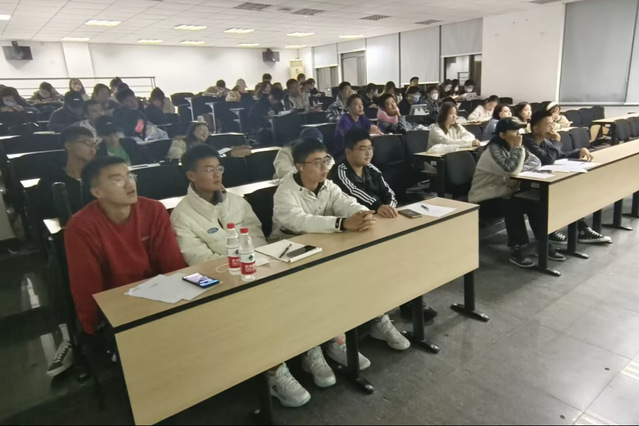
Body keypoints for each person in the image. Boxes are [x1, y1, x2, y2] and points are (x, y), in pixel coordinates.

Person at [272, 138, 409, 372]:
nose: (325, 167)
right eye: (317, 163)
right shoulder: (285, 191)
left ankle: (377, 318)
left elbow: (347, 203)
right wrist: (342, 223)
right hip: (289, 249)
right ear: (300, 167)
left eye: (326, 160)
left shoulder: (328, 185)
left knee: (369, 266)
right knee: (324, 284)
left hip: (325, 242)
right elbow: (299, 221)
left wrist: (363, 214)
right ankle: (329, 341)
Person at [65, 156, 187, 335]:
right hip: (117, 308)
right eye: (118, 180)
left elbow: (172, 263)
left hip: (160, 298)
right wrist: (94, 329)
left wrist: (184, 301)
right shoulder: (81, 226)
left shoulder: (154, 210)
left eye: (130, 176)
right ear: (97, 192)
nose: (130, 184)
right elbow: (86, 283)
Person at [330, 127, 438, 322]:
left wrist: (389, 207)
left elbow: (389, 192)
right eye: (362, 148)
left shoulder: (372, 169)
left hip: (379, 221)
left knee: (406, 252)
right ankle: (382, 310)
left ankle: (410, 301)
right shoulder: (340, 172)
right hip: (356, 227)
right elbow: (354, 194)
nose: (368, 153)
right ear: (348, 152)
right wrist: (379, 206)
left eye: (370, 148)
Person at [466, 118, 564, 268]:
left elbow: (535, 162)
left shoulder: (514, 146)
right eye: (514, 131)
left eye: (519, 130)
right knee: (513, 205)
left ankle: (543, 242)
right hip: (484, 199)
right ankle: (517, 248)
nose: (519, 134)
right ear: (502, 135)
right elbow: (511, 169)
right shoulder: (493, 151)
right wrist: (514, 168)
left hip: (505, 193)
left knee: (534, 202)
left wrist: (515, 174)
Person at [523, 111, 611, 244]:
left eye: (552, 124)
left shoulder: (544, 142)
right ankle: (551, 232)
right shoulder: (527, 142)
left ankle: (582, 229)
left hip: (544, 181)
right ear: (535, 128)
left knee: (570, 192)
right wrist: (556, 141)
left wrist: (578, 152)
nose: (552, 127)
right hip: (527, 184)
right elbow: (547, 159)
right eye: (548, 124)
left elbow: (559, 156)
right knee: (563, 193)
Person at [170, 144, 266, 264]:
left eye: (219, 168)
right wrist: (238, 264)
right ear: (191, 176)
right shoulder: (181, 217)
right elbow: (200, 259)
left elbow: (256, 237)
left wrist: (254, 260)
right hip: (220, 272)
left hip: (255, 264)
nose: (217, 174)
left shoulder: (237, 202)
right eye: (209, 170)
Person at [37, 126, 97, 218]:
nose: (93, 149)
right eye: (87, 143)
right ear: (69, 146)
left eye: (94, 145)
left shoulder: (98, 176)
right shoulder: (52, 179)